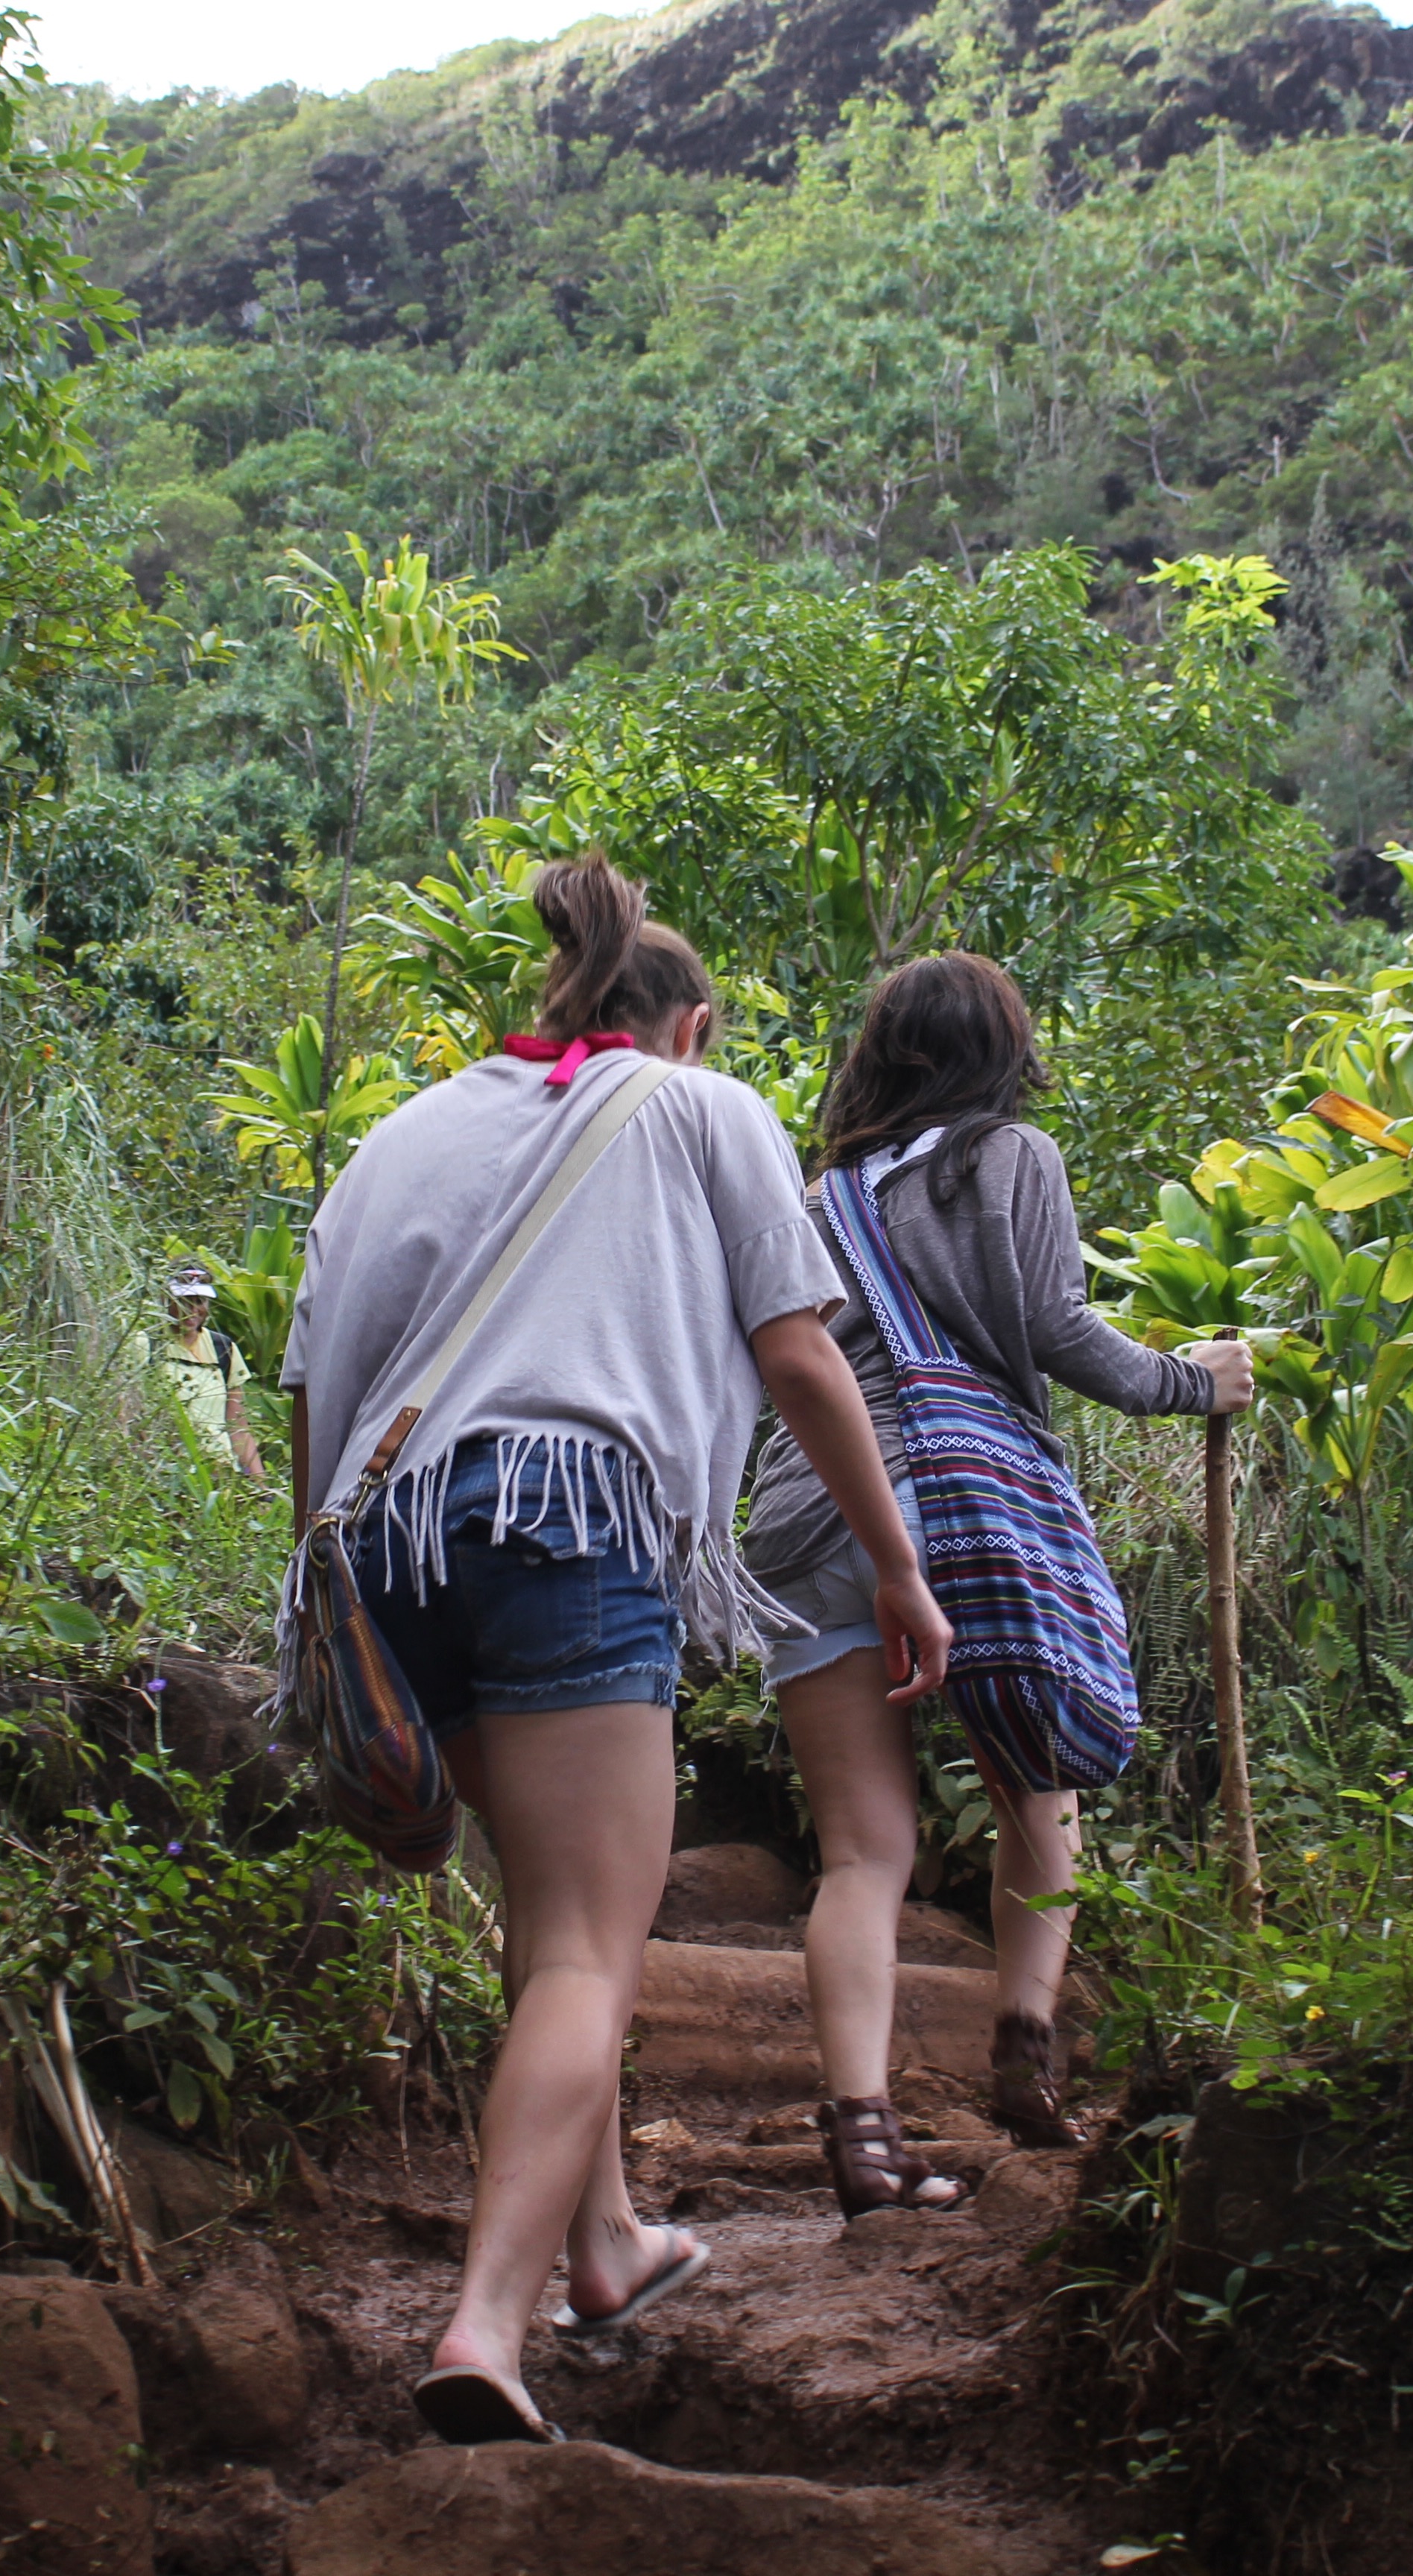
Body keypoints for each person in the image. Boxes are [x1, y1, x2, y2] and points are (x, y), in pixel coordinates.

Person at [282, 856, 949, 2446]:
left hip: (385, 1551)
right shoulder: (701, 1108)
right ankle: (483, 2327)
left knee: (543, 1926)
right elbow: (798, 1356)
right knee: (590, 1948)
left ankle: (606, 2243)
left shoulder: (399, 1135)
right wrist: (895, 1565)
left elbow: (311, 1392)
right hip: (568, 1515)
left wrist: (326, 1612)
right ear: (689, 1024)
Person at [744, 953, 1255, 2209]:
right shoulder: (1006, 1156)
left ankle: (862, 2136)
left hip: (807, 1517)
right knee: (1040, 1780)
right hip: (959, 1505)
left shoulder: (813, 1198)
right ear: (1002, 1053)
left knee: (859, 1852)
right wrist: (1190, 1382)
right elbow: (1055, 1324)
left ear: (878, 1057)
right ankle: (1024, 2048)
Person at [158, 1265, 267, 1482]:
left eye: (199, 1301)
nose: (192, 1309)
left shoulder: (223, 1349)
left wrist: (262, 1487)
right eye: (184, 1301)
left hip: (219, 1475)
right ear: (166, 1299)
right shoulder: (149, 1345)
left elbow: (238, 1428)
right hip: (167, 1475)